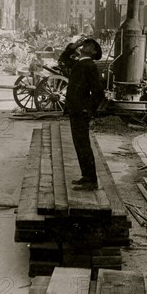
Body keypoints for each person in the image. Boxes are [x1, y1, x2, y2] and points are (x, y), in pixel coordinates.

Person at [61, 37, 104, 191]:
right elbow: (63, 59)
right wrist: (74, 46)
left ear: (94, 52)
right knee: (79, 145)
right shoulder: (80, 62)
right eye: (85, 43)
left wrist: (88, 109)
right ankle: (86, 177)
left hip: (80, 111)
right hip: (75, 110)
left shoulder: (89, 65)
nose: (85, 44)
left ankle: (91, 180)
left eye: (89, 44)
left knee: (83, 145)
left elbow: (99, 92)